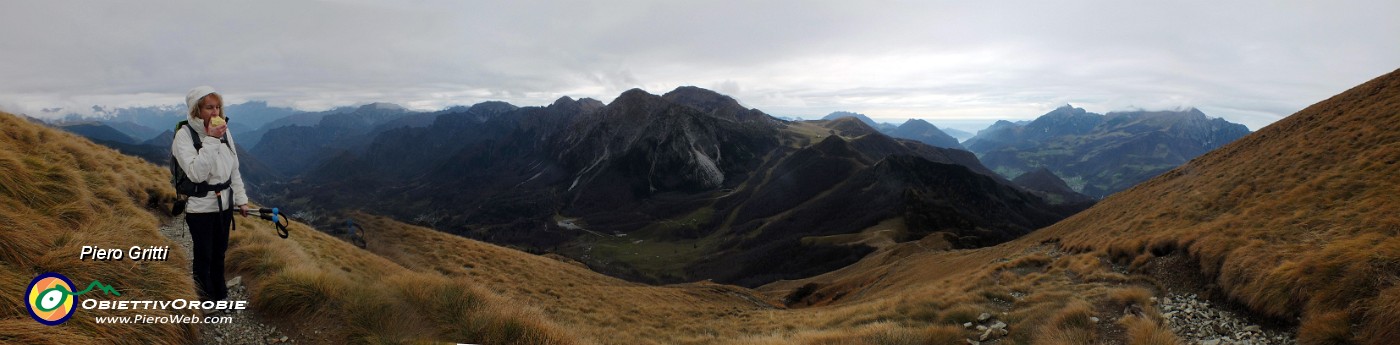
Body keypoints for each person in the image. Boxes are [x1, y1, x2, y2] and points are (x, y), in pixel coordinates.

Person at [171, 86, 249, 302]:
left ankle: (219, 292)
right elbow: (196, 173)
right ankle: (204, 297)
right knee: (204, 255)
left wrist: (241, 200)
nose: (215, 113)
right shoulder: (184, 136)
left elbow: (233, 168)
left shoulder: (224, 130)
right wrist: (212, 139)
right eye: (209, 108)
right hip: (201, 208)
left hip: (224, 205)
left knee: (220, 252)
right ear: (196, 110)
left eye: (217, 107)